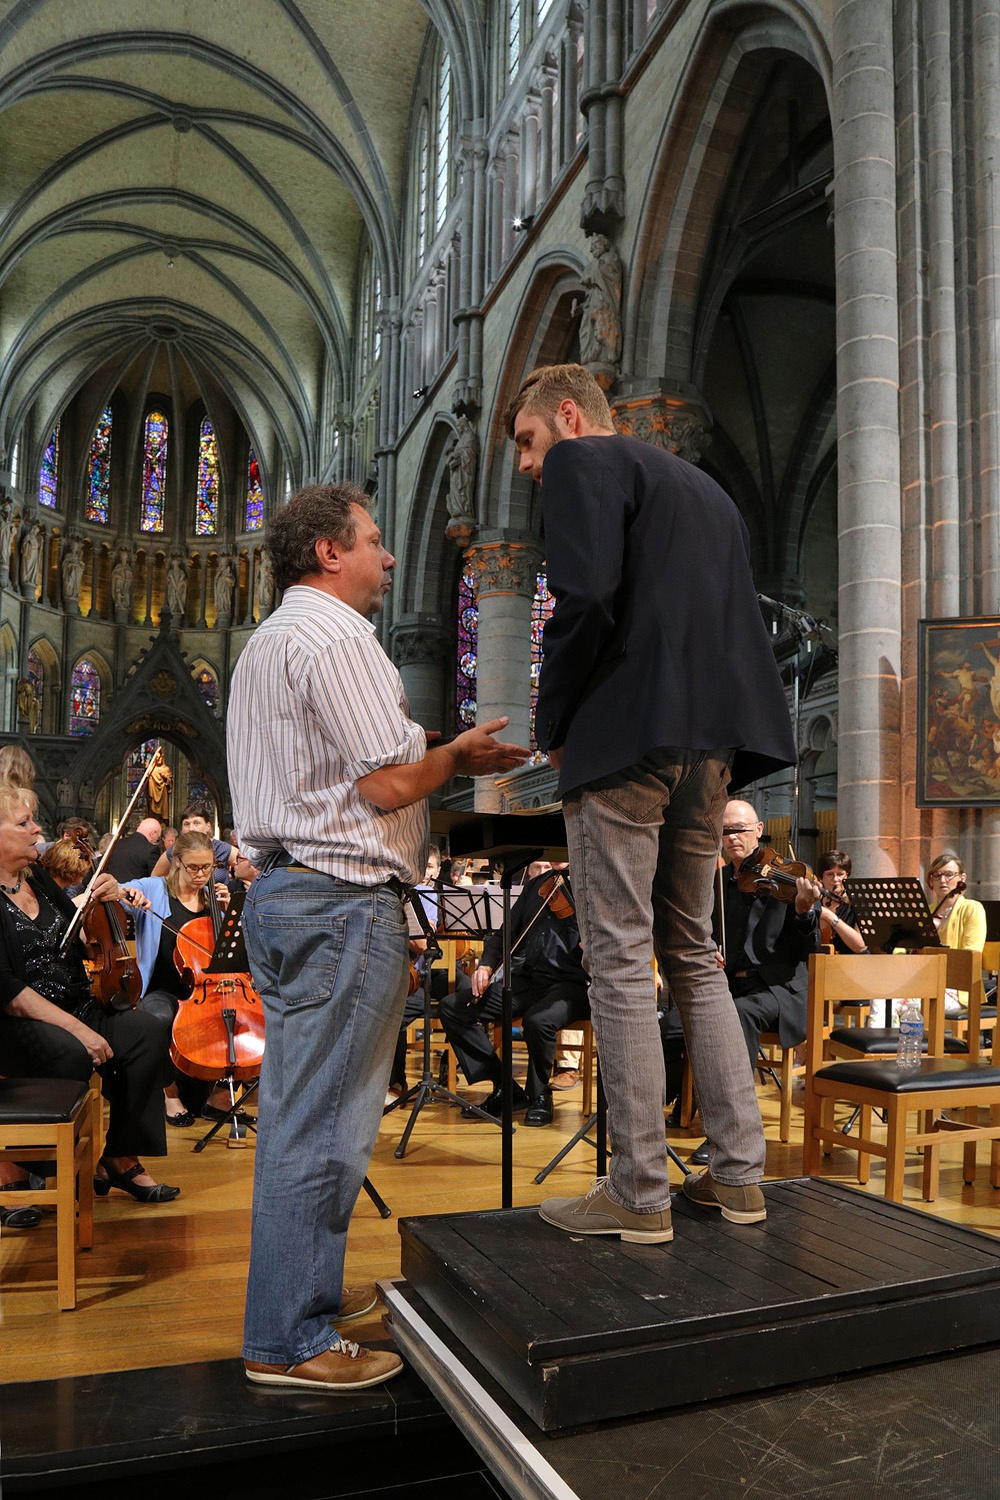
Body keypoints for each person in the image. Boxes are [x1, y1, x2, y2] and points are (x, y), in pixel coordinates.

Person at [227, 482, 528, 1393]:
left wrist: (425, 749)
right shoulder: (337, 636)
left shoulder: (270, 642)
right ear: (329, 552)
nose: (389, 558)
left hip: (289, 896)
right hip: (341, 900)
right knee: (320, 1133)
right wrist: (457, 759)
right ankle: (285, 1338)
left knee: (301, 1119)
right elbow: (390, 785)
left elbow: (347, 764)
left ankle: (304, 1294)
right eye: (373, 541)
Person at [505, 362, 798, 1237]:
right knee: (697, 954)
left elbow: (586, 597)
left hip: (625, 737)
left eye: (526, 441)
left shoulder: (583, 462)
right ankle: (739, 1173)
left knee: (622, 959)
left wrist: (550, 717)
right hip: (711, 744)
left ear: (567, 415)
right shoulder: (706, 490)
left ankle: (637, 1190)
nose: (527, 464)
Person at [0, 782, 179, 1206]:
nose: (37, 829)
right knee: (71, 1051)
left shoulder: (38, 878)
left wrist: (106, 900)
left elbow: (77, 935)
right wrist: (81, 1032)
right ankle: (24, 1168)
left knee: (147, 1031)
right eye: (24, 822)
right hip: (19, 1019)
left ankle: (118, 1156)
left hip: (75, 1001)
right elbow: (9, 990)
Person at [687, 800, 821, 1164]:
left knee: (738, 1014)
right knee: (676, 1017)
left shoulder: (784, 879)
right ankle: (677, 1109)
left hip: (780, 990)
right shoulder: (720, 883)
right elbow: (708, 937)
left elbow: (809, 948)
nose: (732, 838)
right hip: (735, 984)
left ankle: (731, 1131)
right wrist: (708, 953)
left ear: (759, 830)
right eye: (726, 831)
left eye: (740, 830)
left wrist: (804, 910)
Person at [440, 866, 589, 1125]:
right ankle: (505, 1086)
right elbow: (504, 933)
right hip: (530, 981)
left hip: (571, 985)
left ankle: (540, 1094)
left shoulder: (589, 885)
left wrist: (593, 945)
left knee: (538, 1020)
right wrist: (486, 965)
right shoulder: (536, 886)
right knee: (453, 1006)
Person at [126, 831, 230, 1126]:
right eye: (193, 868)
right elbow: (115, 890)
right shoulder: (156, 888)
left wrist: (226, 913)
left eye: (207, 868)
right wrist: (128, 895)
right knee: (155, 1018)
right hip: (163, 990)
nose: (200, 875)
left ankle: (220, 1096)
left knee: (244, 1018)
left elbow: (229, 951)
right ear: (177, 863)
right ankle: (168, 1094)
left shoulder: (213, 899)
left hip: (204, 990)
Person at [927, 852, 987, 1015]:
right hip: (927, 982)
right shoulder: (927, 912)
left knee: (909, 1000)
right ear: (931, 880)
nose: (943, 880)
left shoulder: (972, 908)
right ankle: (890, 1040)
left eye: (949, 874)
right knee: (883, 997)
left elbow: (971, 954)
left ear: (962, 879)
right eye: (937, 875)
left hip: (960, 990)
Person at [151, 802, 233, 882]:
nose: (191, 829)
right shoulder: (174, 851)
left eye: (196, 823)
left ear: (208, 826)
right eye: (186, 824)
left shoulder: (222, 848)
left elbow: (244, 867)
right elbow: (154, 879)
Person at [815, 848, 867, 955]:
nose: (835, 879)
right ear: (821, 877)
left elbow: (860, 946)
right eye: (829, 874)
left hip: (852, 965)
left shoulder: (858, 903)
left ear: (847, 875)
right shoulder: (815, 902)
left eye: (840, 874)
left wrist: (831, 917)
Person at [104, 817, 162, 882]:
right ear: (153, 833)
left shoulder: (117, 844)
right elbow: (156, 878)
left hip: (115, 890)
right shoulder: (152, 850)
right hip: (136, 891)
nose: (156, 840)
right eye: (158, 837)